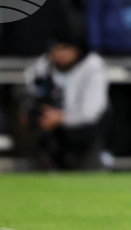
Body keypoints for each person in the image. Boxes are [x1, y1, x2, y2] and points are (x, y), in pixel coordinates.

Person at [24, 21, 109, 170]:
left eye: (66, 48)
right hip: (52, 127)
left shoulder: (92, 66)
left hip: (85, 130)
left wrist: (61, 118)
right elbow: (31, 87)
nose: (61, 53)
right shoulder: (44, 65)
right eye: (57, 48)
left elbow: (92, 112)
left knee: (87, 174)